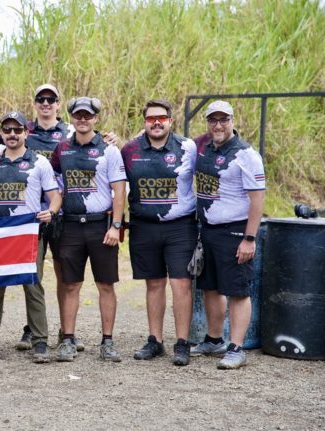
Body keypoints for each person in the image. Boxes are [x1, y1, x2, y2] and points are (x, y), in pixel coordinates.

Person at [0, 111, 61, 363]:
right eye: (7, 130)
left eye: (17, 130)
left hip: (29, 235)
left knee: (33, 287)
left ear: (26, 133)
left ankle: (40, 342)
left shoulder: (39, 162)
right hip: (0, 236)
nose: (12, 134)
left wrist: (51, 212)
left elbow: (55, 196)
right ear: (2, 133)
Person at [120, 99, 197, 366]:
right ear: (144, 122)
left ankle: (182, 343)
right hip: (143, 225)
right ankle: (155, 340)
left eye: (161, 118)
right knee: (153, 284)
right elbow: (116, 185)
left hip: (180, 226)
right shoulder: (129, 149)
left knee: (181, 284)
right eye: (151, 118)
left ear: (170, 121)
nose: (156, 122)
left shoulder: (187, 147)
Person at [50, 96, 126, 362]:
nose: (83, 119)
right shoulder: (62, 149)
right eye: (78, 115)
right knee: (70, 284)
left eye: (88, 115)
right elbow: (55, 186)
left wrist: (116, 226)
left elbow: (119, 191)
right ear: (71, 117)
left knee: (106, 284)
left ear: (95, 118)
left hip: (100, 226)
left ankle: (107, 342)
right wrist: (52, 210)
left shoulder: (109, 150)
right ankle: (68, 340)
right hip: (70, 225)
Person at [191, 101, 265, 369]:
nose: (218, 125)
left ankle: (236, 348)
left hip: (235, 230)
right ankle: (214, 340)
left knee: (237, 290)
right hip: (208, 229)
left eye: (224, 120)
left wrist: (249, 238)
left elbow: (258, 199)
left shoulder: (246, 154)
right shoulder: (203, 148)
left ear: (233, 121)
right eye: (213, 120)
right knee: (210, 287)